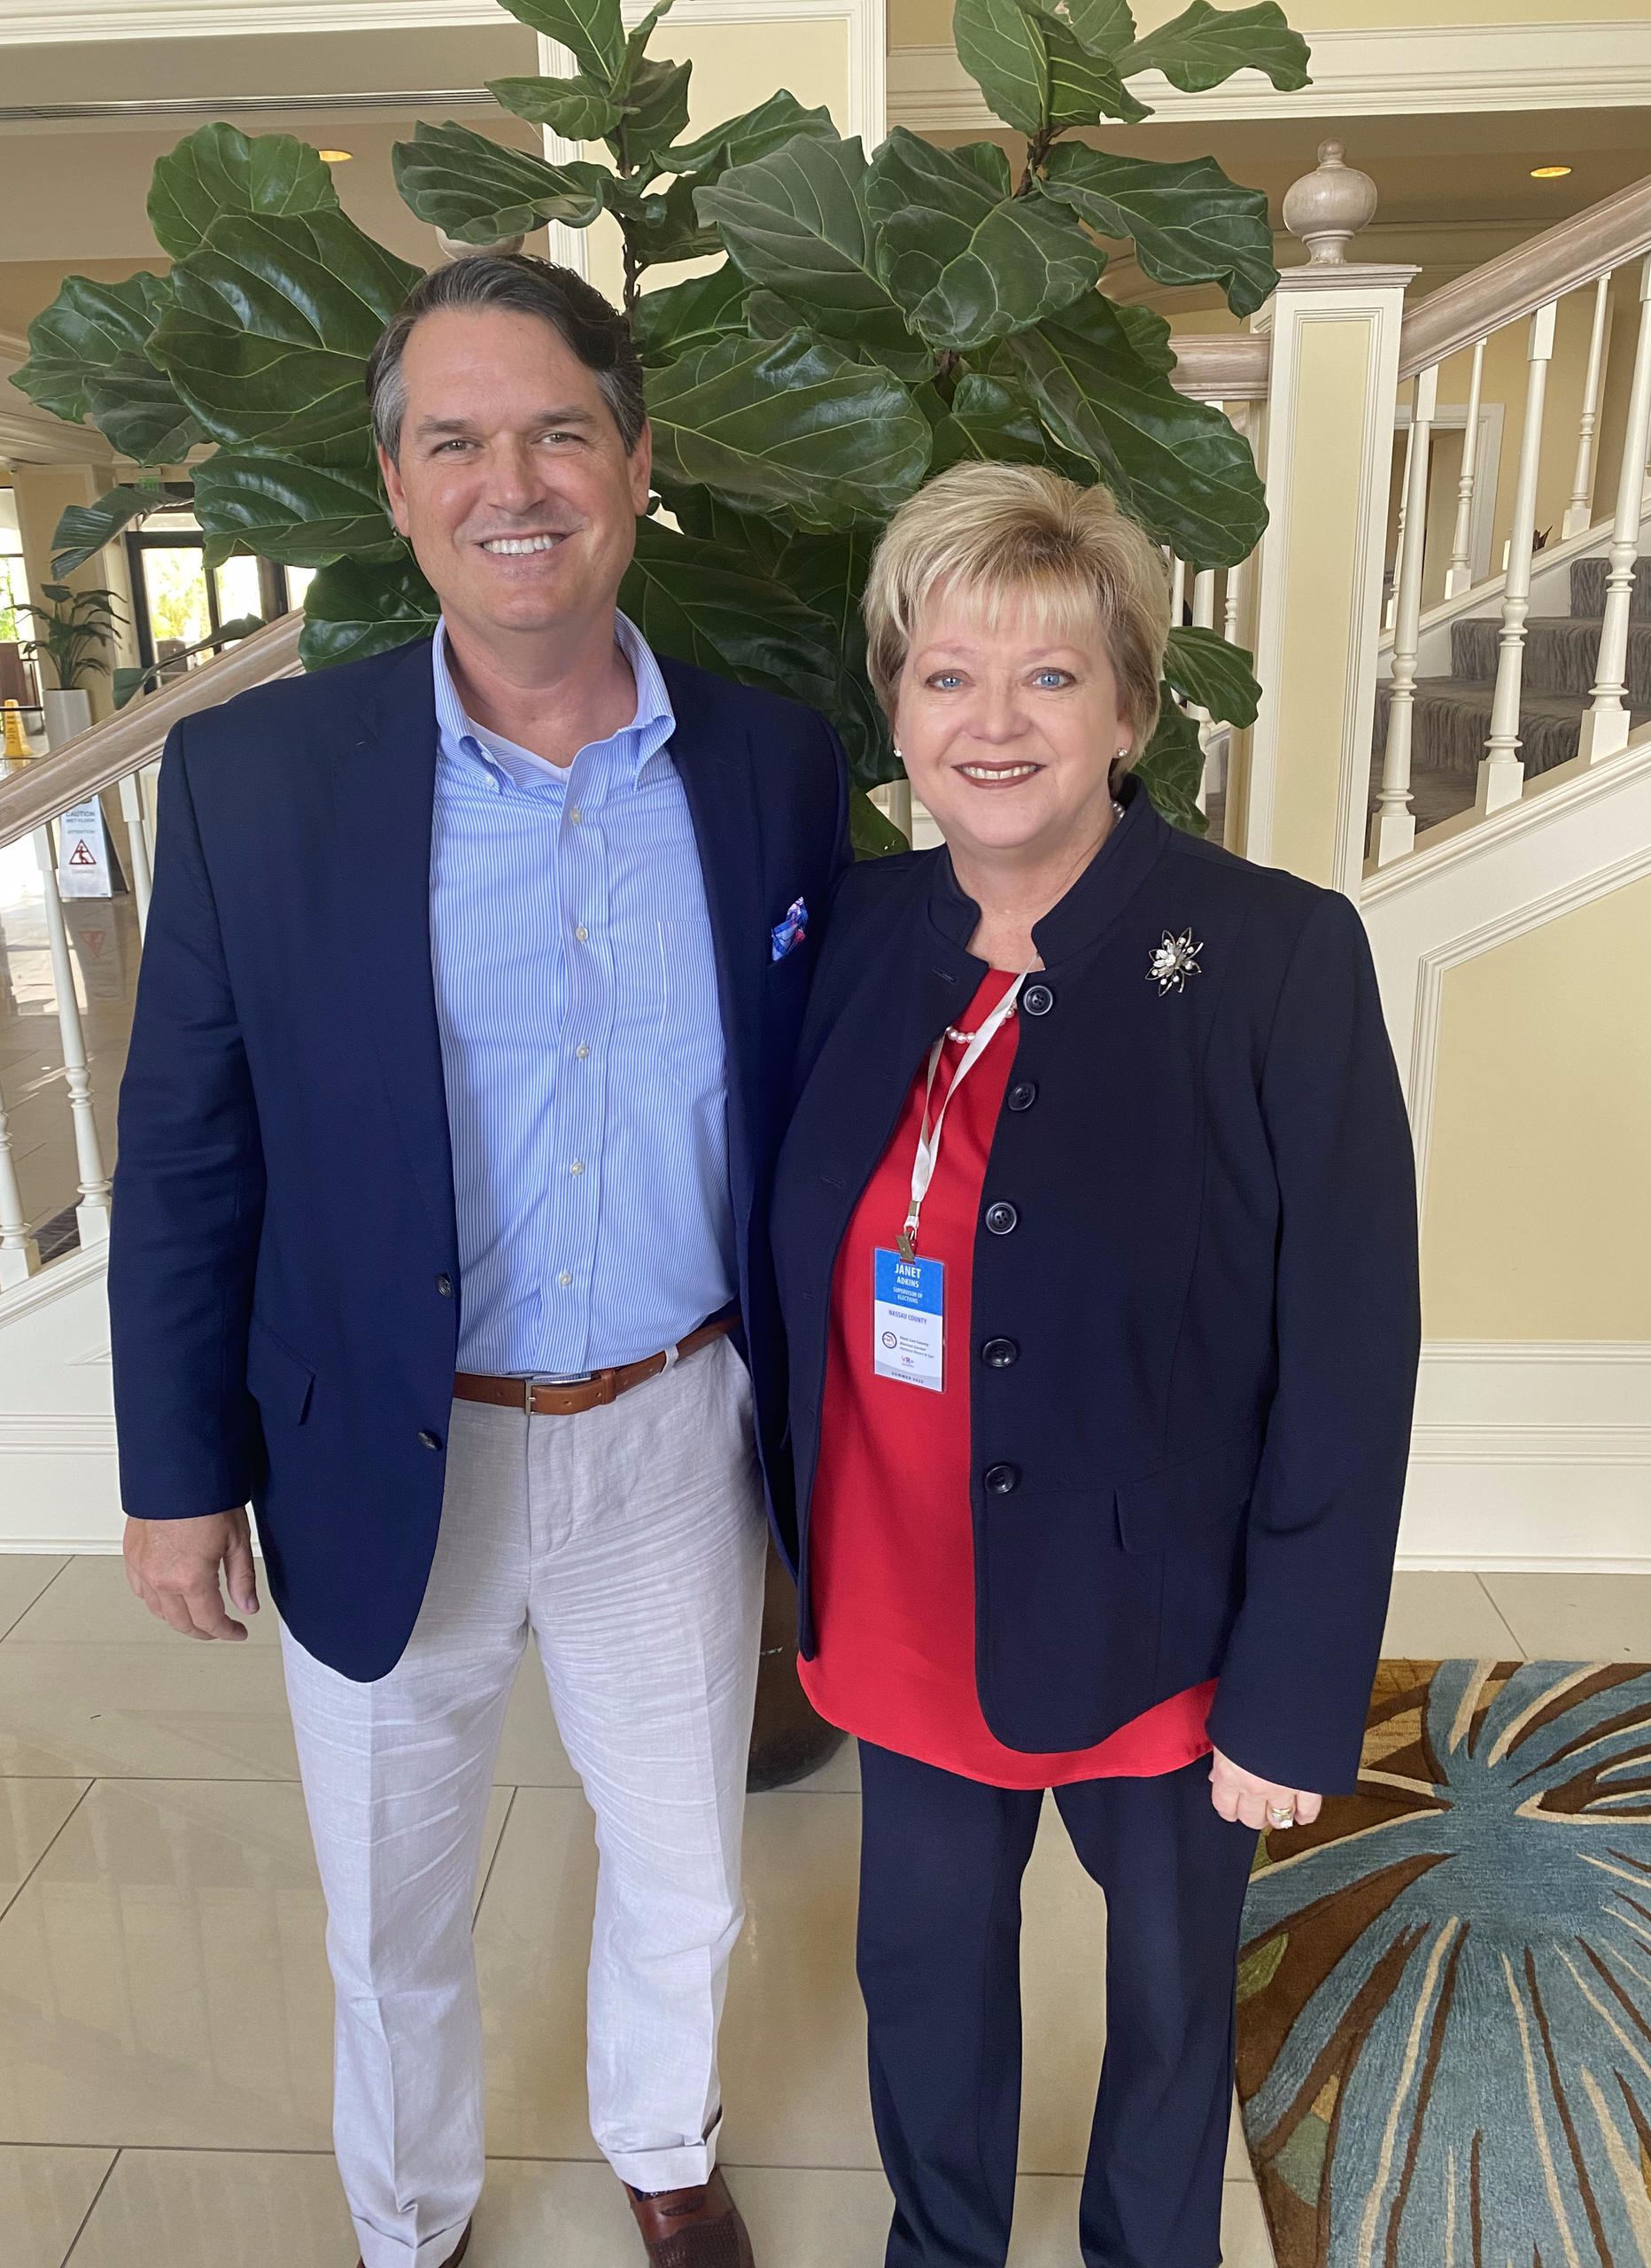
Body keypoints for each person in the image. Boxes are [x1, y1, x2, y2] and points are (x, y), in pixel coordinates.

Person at [110, 251, 849, 2268]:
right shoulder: (262, 781)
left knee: (688, 1866)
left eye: (556, 432)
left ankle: (663, 2144)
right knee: (392, 1900)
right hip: (383, 1438)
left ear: (636, 460)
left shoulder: (774, 767)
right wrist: (176, 1474)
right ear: (395, 483)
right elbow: (187, 1149)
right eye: (456, 439)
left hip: (675, 1430)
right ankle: (411, 2213)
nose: (510, 482)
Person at [769, 463, 1420, 2268]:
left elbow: (1351, 1345)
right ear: (896, 706)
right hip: (903, 1597)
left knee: (1171, 2001)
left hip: (1160, 1625)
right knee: (924, 1981)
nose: (994, 722)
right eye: (948, 674)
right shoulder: (853, 934)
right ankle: (942, 2246)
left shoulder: (1275, 954)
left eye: (1049, 675)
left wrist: (1294, 1691)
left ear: (1129, 708)